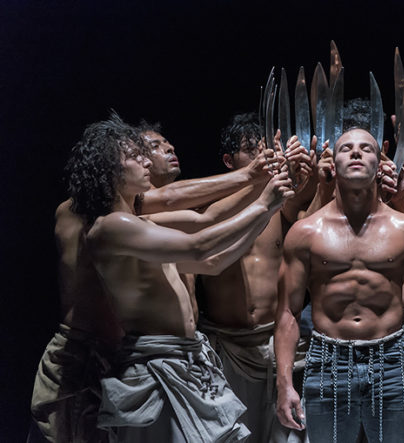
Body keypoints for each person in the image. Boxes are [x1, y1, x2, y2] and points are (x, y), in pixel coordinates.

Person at [68, 114, 293, 441]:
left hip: (186, 356)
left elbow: (211, 253)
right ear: (109, 168)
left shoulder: (140, 222)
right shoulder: (112, 226)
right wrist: (262, 204)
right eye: (134, 156)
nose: (146, 162)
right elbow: (198, 246)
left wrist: (268, 203)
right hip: (157, 363)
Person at [274, 128, 404, 443]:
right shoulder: (306, 232)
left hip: (391, 360)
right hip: (327, 361)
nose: (356, 152)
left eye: (366, 148)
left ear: (380, 163)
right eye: (346, 148)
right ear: (333, 163)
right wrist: (284, 383)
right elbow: (288, 311)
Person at [198, 113, 313, 443]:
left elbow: (312, 217)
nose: (262, 157)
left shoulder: (282, 203)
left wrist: (313, 175)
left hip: (276, 339)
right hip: (227, 342)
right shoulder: (209, 205)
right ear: (228, 160)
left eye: (266, 149)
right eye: (251, 150)